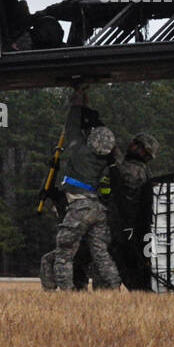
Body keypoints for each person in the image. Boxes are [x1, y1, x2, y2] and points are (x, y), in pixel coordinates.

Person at [40, 90, 121, 291]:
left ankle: (66, 295)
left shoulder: (78, 149)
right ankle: (114, 289)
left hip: (79, 206)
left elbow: (72, 127)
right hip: (97, 208)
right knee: (101, 254)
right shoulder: (106, 159)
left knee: (64, 252)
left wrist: (76, 106)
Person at [106, 130, 160, 289]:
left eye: (139, 147)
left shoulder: (131, 171)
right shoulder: (138, 170)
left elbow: (126, 205)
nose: (133, 147)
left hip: (123, 232)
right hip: (129, 233)